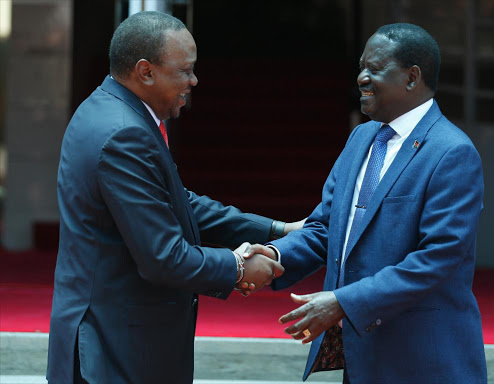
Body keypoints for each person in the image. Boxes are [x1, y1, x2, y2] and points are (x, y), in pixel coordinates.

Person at [47, 11, 304, 384]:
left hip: (115, 341)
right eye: (185, 70)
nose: (194, 81)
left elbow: (178, 202)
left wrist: (277, 230)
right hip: (114, 351)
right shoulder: (124, 133)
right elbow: (163, 258)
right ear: (145, 71)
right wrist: (237, 266)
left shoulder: (109, 108)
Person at [248, 23, 487, 383]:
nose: (361, 77)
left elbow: (437, 258)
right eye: (361, 66)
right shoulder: (361, 138)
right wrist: (275, 257)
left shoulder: (452, 152)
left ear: (412, 77)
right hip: (364, 360)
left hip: (424, 362)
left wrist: (344, 302)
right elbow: (326, 227)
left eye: (374, 69)